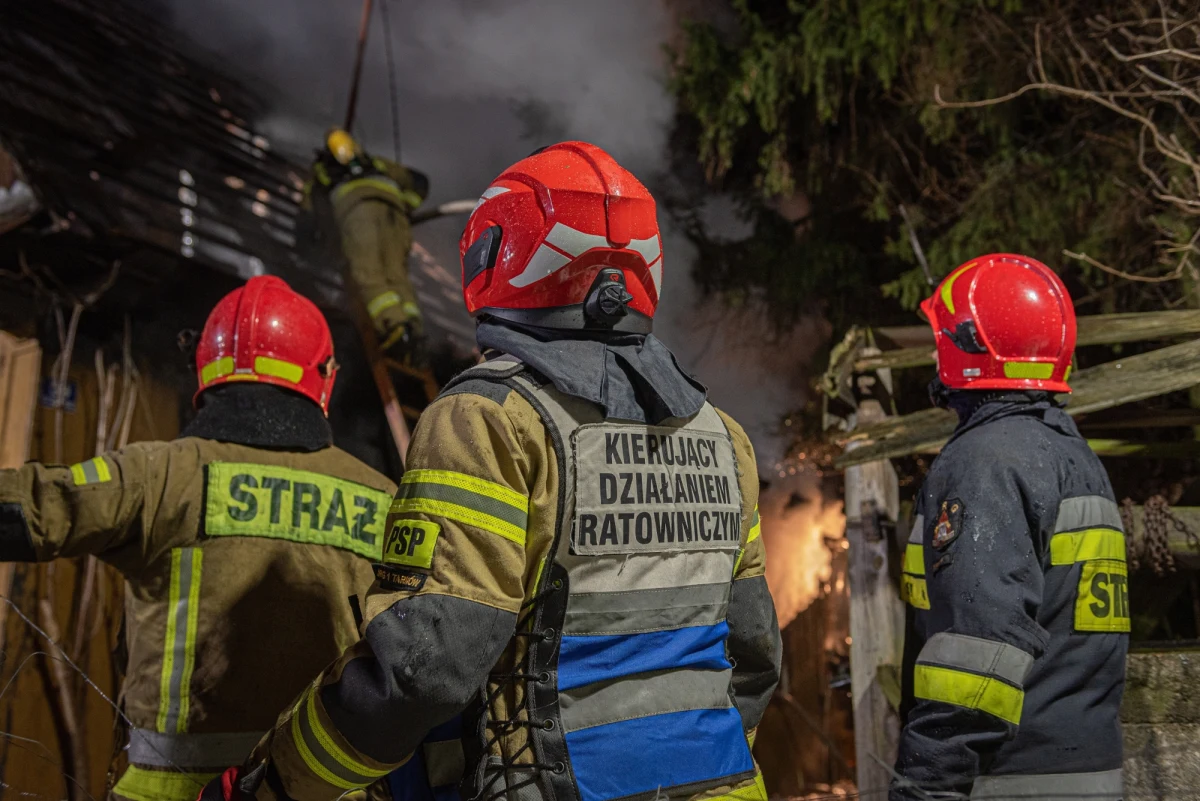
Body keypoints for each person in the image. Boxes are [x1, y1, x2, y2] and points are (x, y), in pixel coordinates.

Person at [199, 142, 783, 801]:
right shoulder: (723, 437)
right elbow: (754, 656)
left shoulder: (490, 419)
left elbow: (424, 671)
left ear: (502, 257)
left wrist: (272, 782)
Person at [0, 276, 398, 801]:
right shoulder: (385, 499)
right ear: (325, 377)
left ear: (206, 369)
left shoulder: (161, 474)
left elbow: (30, 507)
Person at [892, 254, 1128, 801]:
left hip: (1009, 779)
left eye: (942, 338)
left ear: (971, 347)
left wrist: (924, 787)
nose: (935, 351)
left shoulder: (987, 463)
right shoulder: (1074, 458)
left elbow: (975, 655)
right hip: (1088, 775)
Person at [308, 128, 430, 364]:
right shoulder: (375, 163)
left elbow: (314, 214)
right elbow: (420, 182)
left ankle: (395, 327)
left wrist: (326, 244)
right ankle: (414, 331)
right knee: (397, 274)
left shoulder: (322, 172)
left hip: (357, 214)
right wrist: (405, 206)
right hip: (394, 215)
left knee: (368, 273)